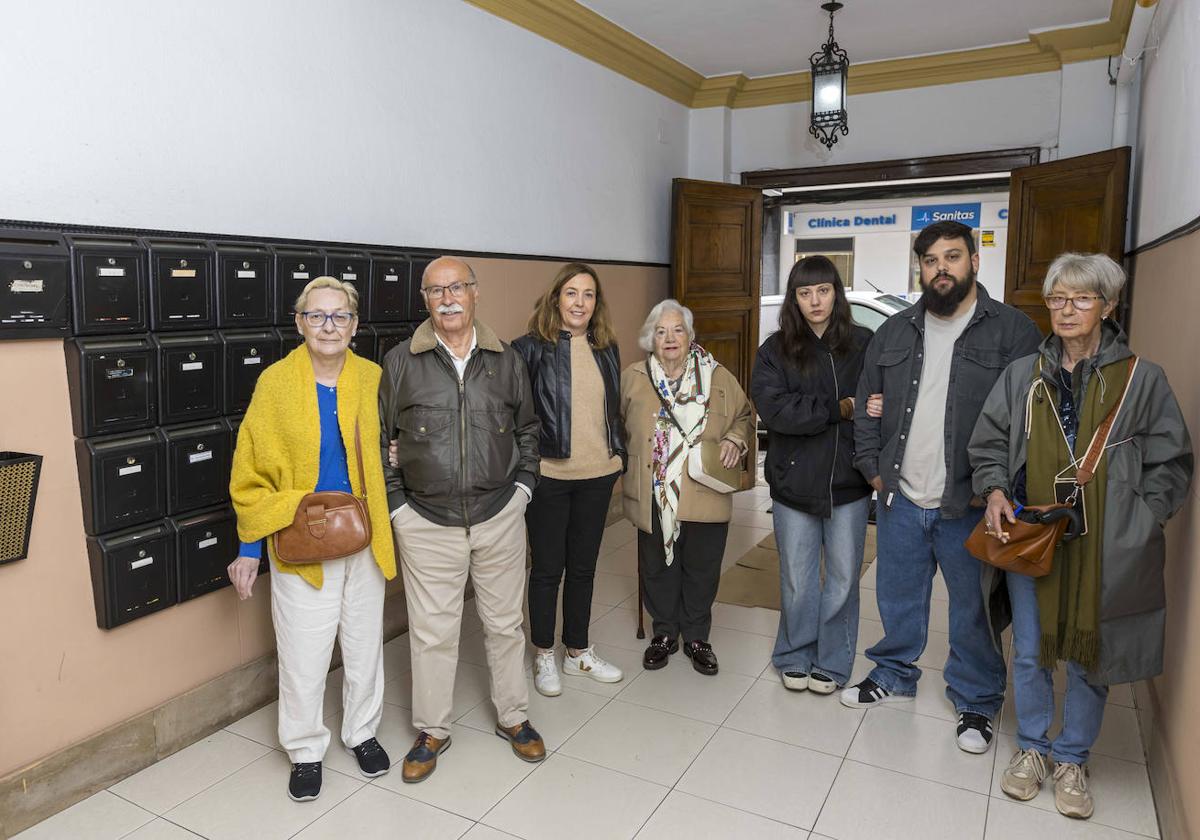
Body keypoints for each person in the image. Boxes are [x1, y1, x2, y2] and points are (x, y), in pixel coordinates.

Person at [970, 252, 1192, 819]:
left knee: (1093, 652)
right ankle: (1035, 749)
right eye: (1057, 299)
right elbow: (990, 441)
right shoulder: (1024, 374)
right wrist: (995, 489)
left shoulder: (1143, 379)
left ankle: (1073, 757)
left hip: (1106, 544)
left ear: (1108, 306)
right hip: (1033, 535)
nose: (1066, 311)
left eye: (1081, 299)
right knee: (1032, 650)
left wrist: (1140, 519)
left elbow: (1172, 461)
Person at [842, 220, 1042, 757]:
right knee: (897, 594)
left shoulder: (1014, 332)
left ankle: (977, 699)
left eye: (952, 257)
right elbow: (866, 401)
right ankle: (894, 672)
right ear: (921, 270)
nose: (941, 269)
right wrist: (872, 467)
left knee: (972, 607)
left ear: (974, 261)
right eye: (930, 260)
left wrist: (1006, 488)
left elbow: (1031, 423)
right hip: (902, 494)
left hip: (972, 501)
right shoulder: (896, 329)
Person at [228, 276, 397, 802]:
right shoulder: (276, 383)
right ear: (299, 322)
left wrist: (392, 456)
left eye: (340, 316)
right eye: (317, 316)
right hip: (300, 537)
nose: (329, 326)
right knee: (303, 650)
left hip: (365, 534)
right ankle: (304, 749)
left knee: (365, 644)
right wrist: (249, 550)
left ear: (355, 325)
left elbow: (396, 441)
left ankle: (362, 731)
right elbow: (251, 470)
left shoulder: (373, 377)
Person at [379, 256, 545, 783]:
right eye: (436, 291)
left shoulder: (507, 359)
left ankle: (514, 718)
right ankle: (433, 730)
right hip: (427, 521)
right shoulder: (400, 362)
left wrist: (522, 490)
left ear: (475, 294)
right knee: (431, 633)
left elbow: (528, 430)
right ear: (424, 300)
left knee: (504, 624)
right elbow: (381, 442)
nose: (447, 298)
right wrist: (398, 508)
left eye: (457, 288)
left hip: (499, 514)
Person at [751, 256, 872, 695]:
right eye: (805, 293)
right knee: (798, 578)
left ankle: (834, 662)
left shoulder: (863, 344)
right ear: (794, 299)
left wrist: (858, 415)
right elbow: (776, 411)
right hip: (793, 484)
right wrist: (838, 409)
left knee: (842, 578)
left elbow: (879, 403)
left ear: (836, 293)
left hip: (850, 482)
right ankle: (793, 654)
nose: (815, 300)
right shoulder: (776, 349)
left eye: (823, 290)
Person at [620, 299, 753, 676]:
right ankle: (664, 633)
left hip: (704, 486)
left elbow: (744, 415)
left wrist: (735, 440)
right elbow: (616, 424)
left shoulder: (718, 376)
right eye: (661, 331)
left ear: (690, 334)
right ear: (651, 338)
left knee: (702, 565)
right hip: (654, 488)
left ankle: (697, 636)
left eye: (678, 329)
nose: (670, 338)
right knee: (658, 565)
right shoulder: (634, 376)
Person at [512, 264, 626, 697]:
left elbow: (611, 410)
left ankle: (577, 650)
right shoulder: (528, 350)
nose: (580, 303)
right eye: (572, 293)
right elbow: (515, 416)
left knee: (583, 568)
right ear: (556, 298)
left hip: (598, 475)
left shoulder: (606, 348)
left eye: (589, 295)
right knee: (546, 570)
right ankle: (543, 654)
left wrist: (619, 456)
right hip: (549, 477)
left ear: (597, 304)